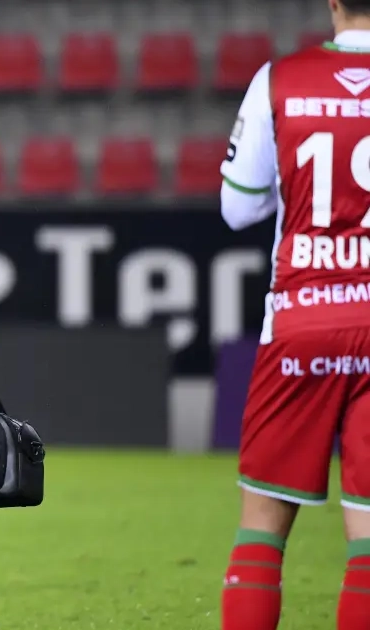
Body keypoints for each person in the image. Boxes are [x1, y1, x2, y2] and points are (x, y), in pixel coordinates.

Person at [218, 2, 370, 628]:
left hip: (302, 321)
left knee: (262, 528)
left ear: (333, 3)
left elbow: (238, 208)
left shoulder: (278, 79)